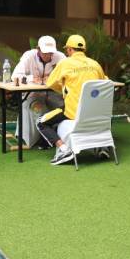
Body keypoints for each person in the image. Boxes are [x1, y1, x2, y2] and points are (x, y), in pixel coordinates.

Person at [37, 34, 107, 165]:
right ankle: (100, 147)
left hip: (73, 113)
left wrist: (64, 89)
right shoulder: (95, 64)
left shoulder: (65, 63)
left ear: (69, 49)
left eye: (67, 50)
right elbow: (104, 83)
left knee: (41, 122)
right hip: (94, 113)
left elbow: (50, 83)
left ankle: (64, 149)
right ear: (84, 49)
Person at [11, 35, 65, 148]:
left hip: (54, 94)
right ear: (38, 49)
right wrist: (31, 78)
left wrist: (54, 78)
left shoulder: (60, 57)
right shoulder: (29, 56)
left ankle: (60, 137)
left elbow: (67, 76)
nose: (48, 55)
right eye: (45, 52)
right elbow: (15, 76)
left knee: (64, 110)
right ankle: (40, 140)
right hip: (32, 94)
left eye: (50, 52)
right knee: (41, 112)